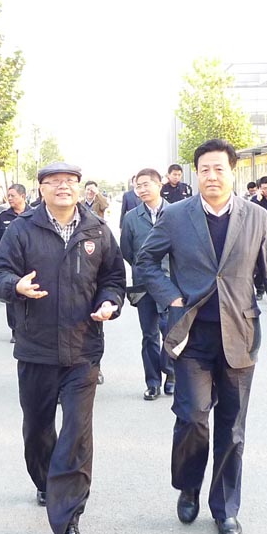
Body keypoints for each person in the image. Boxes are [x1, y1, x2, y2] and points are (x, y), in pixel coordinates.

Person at [135, 138, 267, 534]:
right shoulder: (176, 216)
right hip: (192, 335)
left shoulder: (256, 217)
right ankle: (188, 486)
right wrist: (170, 295)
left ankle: (224, 508)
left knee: (232, 427)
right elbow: (146, 260)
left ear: (232, 172)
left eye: (219, 168)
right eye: (204, 169)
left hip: (240, 334)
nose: (211, 176)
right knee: (192, 417)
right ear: (196, 173)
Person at [0, 162, 126, 534]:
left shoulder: (97, 230)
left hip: (83, 349)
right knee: (37, 428)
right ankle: (45, 479)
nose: (63, 187)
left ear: (80, 188)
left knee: (77, 433)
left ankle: (68, 521)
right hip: (36, 348)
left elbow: (113, 279)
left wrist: (110, 302)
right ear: (42, 189)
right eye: (54, 182)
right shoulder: (21, 229)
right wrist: (14, 286)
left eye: (70, 181)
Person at [120, 168, 174, 401]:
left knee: (170, 331)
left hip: (171, 285)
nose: (141, 190)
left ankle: (171, 374)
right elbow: (126, 250)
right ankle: (152, 383)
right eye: (137, 186)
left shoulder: (176, 213)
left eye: (145, 184)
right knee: (149, 335)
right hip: (143, 285)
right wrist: (142, 269)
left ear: (159, 185)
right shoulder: (131, 217)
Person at [0, 183, 28, 343]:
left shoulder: (34, 214)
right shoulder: (3, 217)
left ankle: (27, 327)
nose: (10, 198)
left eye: (13, 195)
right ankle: (14, 329)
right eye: (8, 196)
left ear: (23, 196)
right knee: (12, 295)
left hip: (29, 262)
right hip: (10, 262)